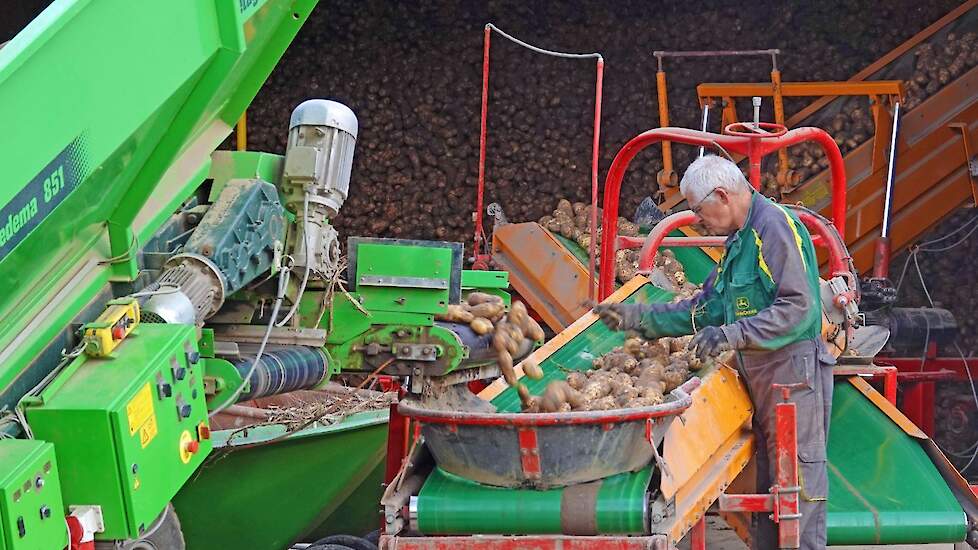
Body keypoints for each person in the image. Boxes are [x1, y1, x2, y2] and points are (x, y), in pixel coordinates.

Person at [595, 155, 834, 549]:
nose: (698, 219)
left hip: (792, 375)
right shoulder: (740, 240)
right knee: (774, 491)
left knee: (798, 491)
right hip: (762, 377)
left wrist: (733, 334)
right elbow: (706, 308)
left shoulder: (772, 228)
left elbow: (799, 308)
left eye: (698, 209)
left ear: (721, 195)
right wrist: (635, 318)